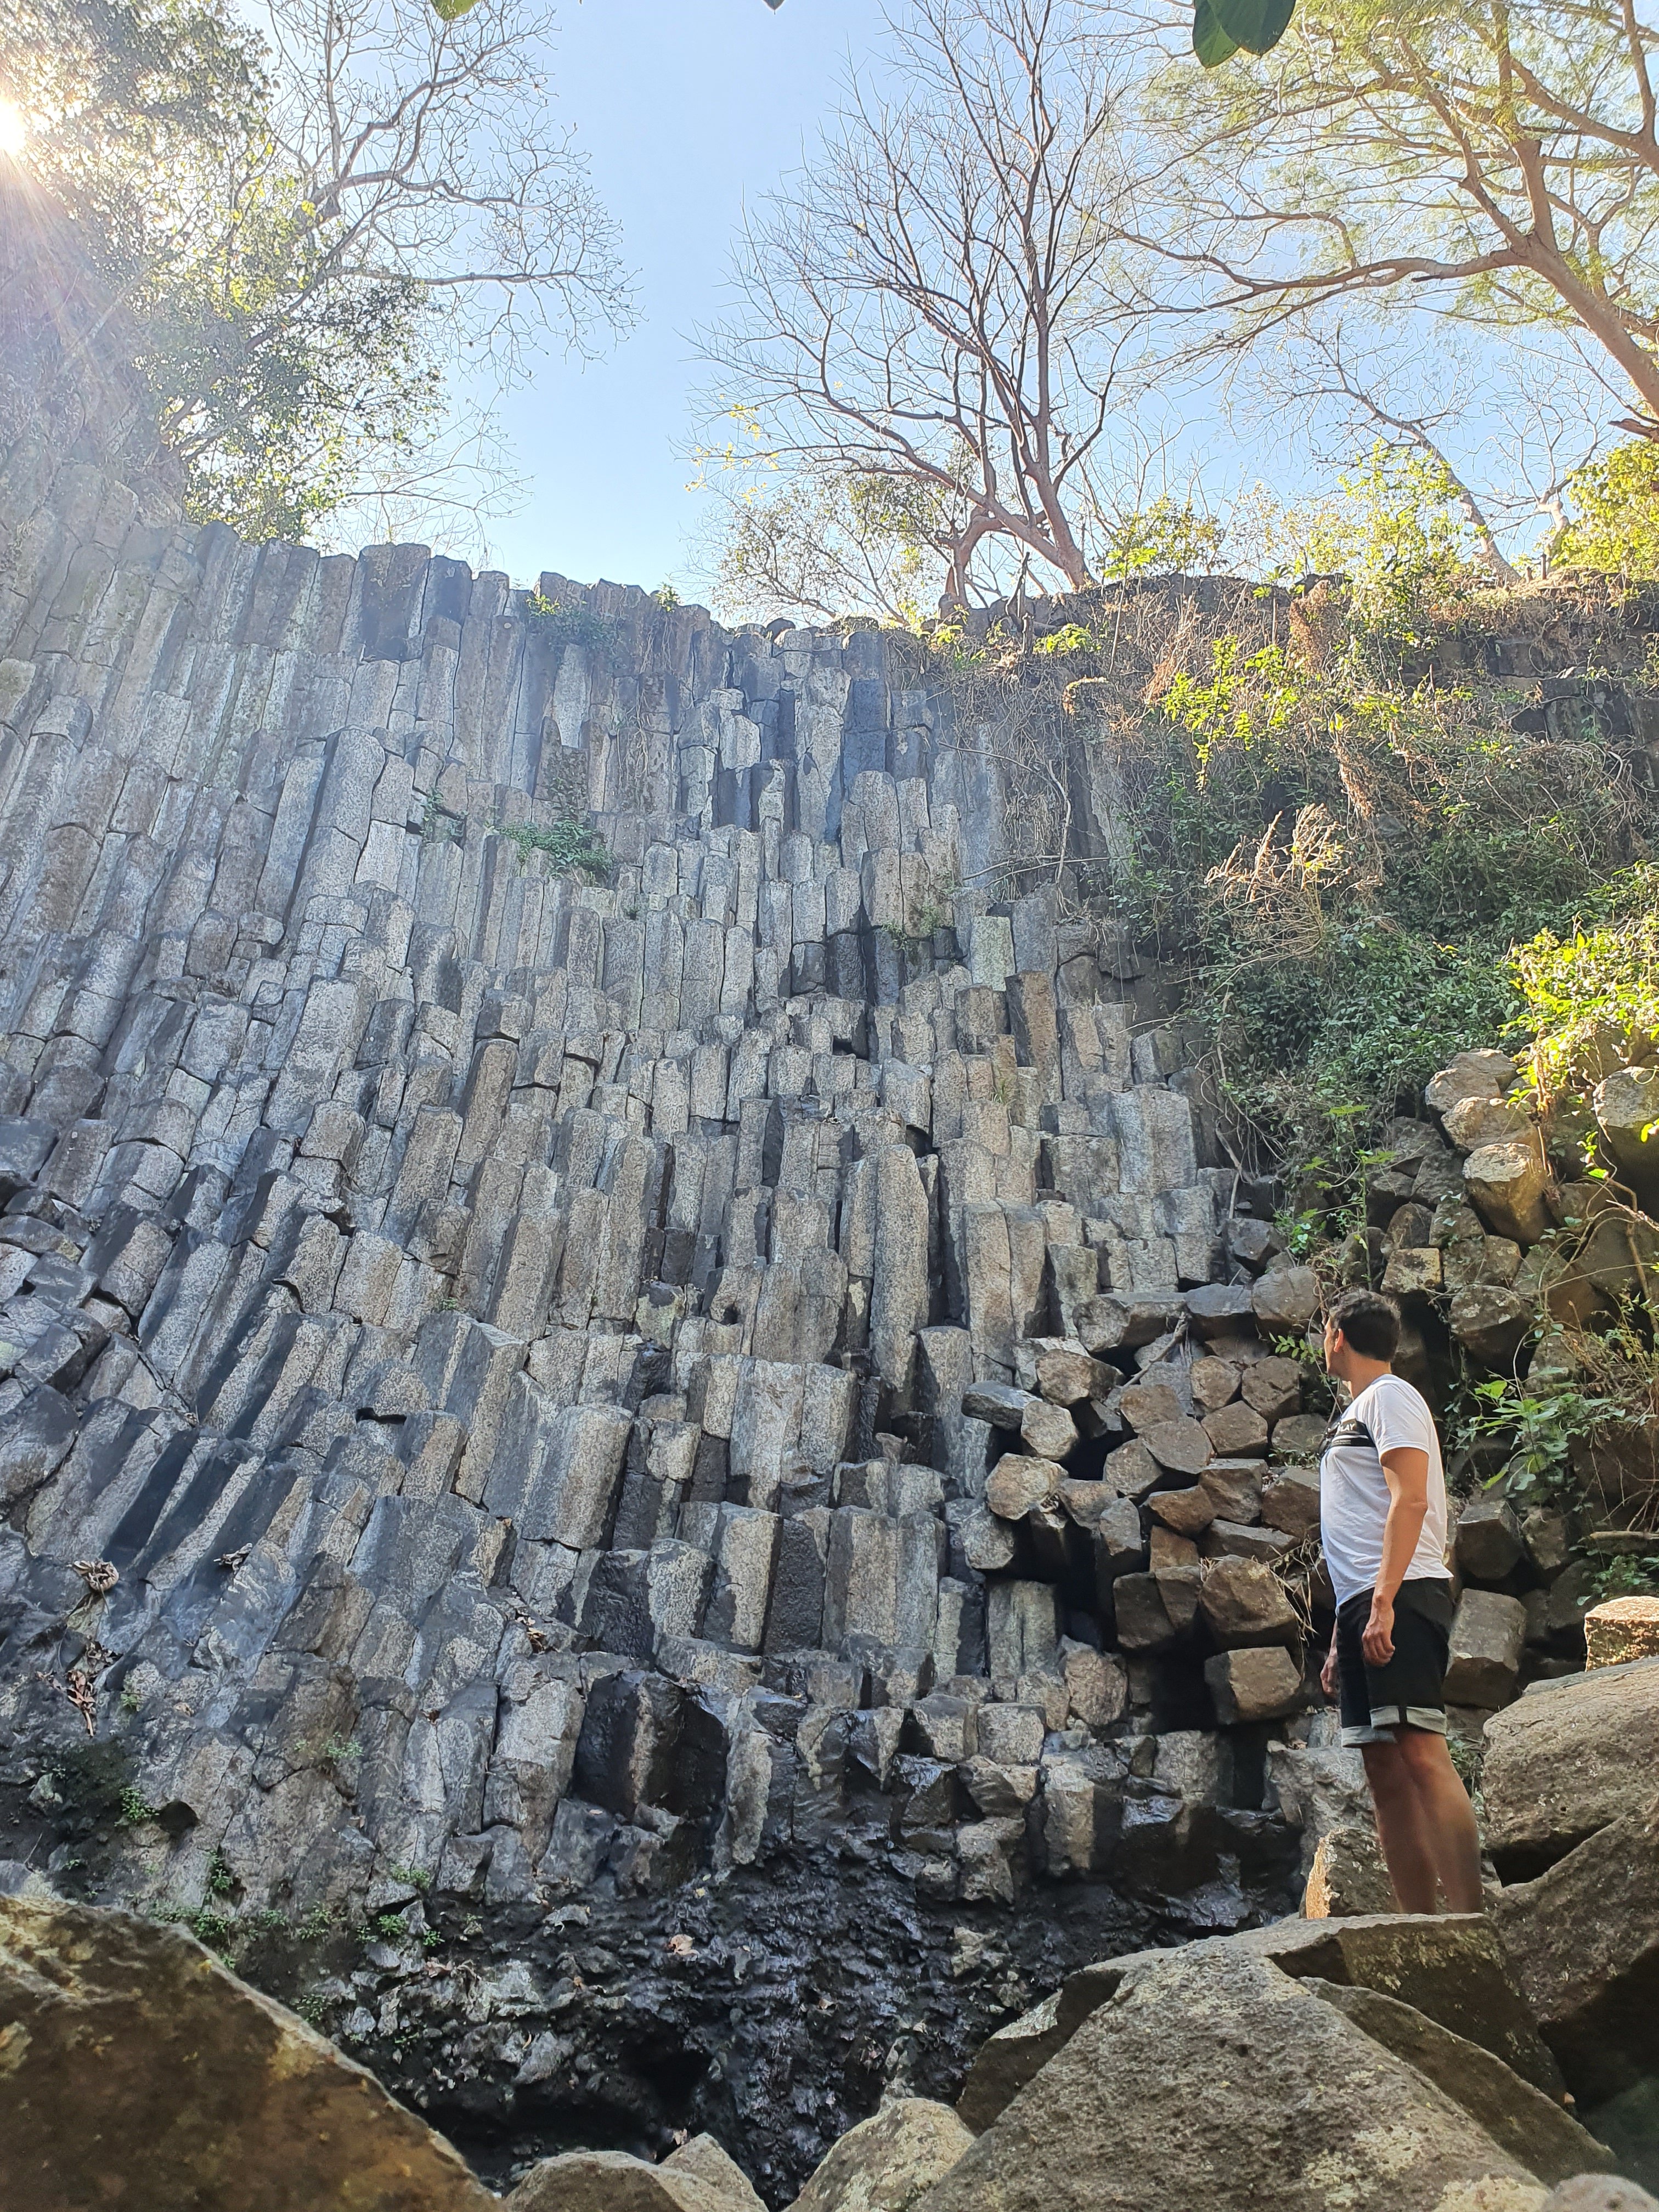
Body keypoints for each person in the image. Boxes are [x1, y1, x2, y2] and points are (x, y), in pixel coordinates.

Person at [1317, 1286, 1483, 1914]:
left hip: (1405, 1590)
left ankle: (1467, 1921)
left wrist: (1385, 1600)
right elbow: (1352, 1533)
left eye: (1325, 1332)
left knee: (1419, 1749)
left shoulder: (1390, 1398)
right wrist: (1342, 1632)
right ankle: (1418, 1924)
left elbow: (1410, 1500)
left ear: (1338, 1335)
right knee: (1384, 1769)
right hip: (1365, 1599)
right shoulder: (1355, 1412)